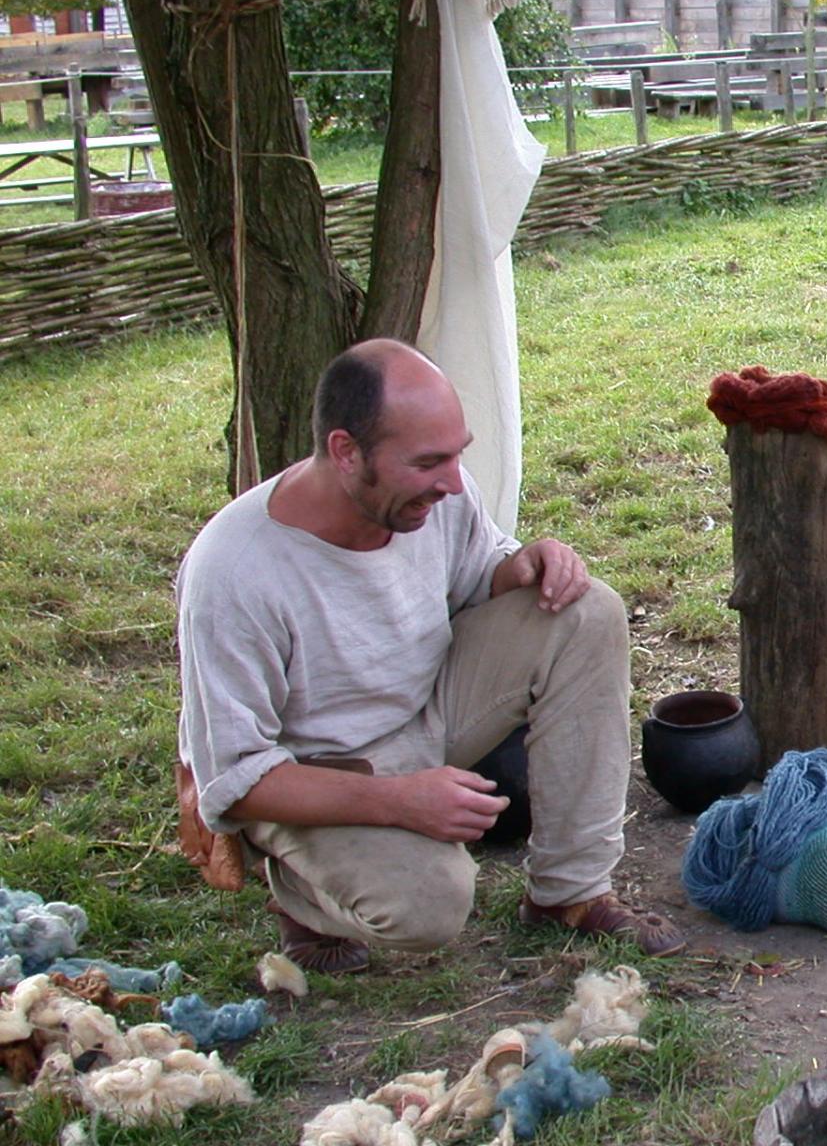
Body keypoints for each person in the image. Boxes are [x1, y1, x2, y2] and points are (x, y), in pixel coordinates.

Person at [175, 339, 685, 973]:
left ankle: (570, 893)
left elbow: (479, 573)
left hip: (427, 715)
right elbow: (234, 780)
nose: (451, 482)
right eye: (427, 463)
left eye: (456, 455)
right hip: (317, 774)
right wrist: (400, 802)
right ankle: (303, 896)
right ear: (345, 451)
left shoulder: (435, 492)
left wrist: (522, 564)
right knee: (430, 907)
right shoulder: (233, 573)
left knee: (586, 611)